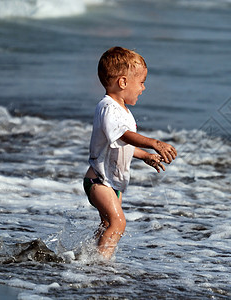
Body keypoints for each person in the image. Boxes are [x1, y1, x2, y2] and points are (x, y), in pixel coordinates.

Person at [83, 47, 177, 260]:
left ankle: (88, 257)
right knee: (118, 223)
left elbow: (119, 143)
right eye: (141, 82)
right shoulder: (107, 107)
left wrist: (145, 156)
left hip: (113, 183)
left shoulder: (123, 111)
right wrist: (153, 143)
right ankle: (100, 266)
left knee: (107, 224)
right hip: (98, 181)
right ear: (123, 82)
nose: (143, 88)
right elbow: (124, 136)